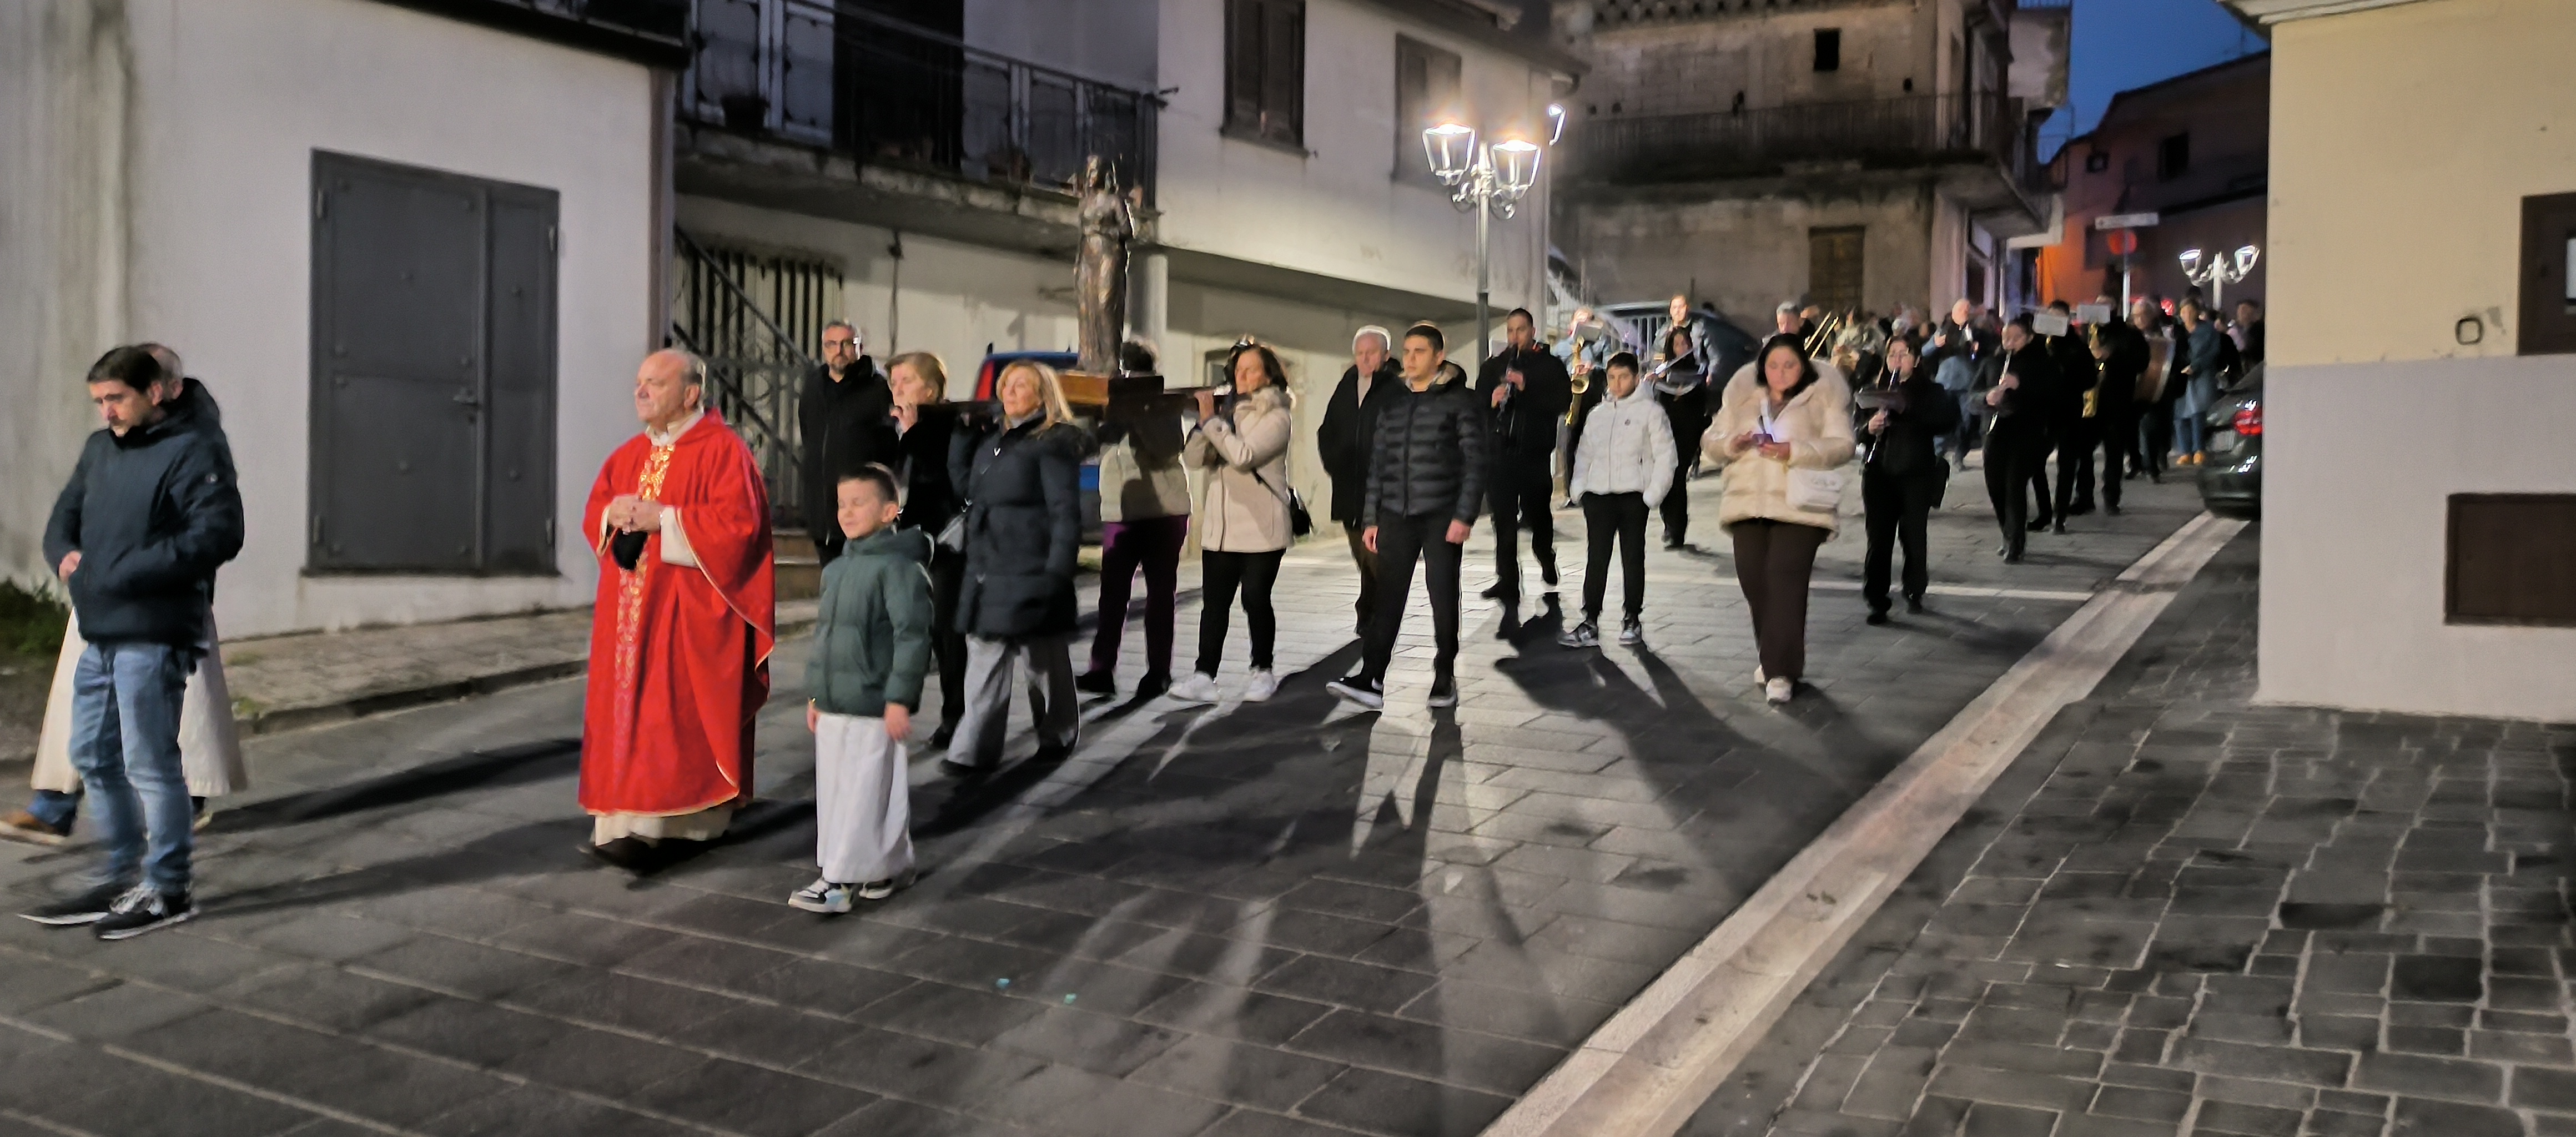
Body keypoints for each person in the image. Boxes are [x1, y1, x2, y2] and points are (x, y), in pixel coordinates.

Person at [22, 346, 243, 938]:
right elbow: (64, 515)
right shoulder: (100, 449)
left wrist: (122, 572)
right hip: (100, 627)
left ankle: (168, 887)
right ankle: (121, 875)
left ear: (156, 391)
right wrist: (63, 554)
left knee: (149, 761)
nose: (107, 412)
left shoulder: (196, 448)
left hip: (156, 628)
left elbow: (219, 533)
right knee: (92, 753)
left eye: (117, 398)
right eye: (99, 401)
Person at [578, 350, 777, 872]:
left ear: (691, 394)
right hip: (626, 618)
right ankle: (620, 822)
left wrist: (665, 519)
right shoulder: (627, 454)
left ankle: (679, 824)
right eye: (639, 382)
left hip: (686, 616)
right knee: (625, 714)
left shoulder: (725, 452)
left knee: (671, 714)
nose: (641, 391)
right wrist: (612, 513)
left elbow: (740, 529)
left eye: (656, 383)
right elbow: (596, 509)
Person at [794, 465, 933, 913]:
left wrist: (899, 699)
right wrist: (816, 695)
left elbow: (912, 637)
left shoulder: (900, 569)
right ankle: (887, 867)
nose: (847, 512)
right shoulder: (837, 570)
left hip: (874, 703)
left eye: (859, 503)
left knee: (865, 793)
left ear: (890, 511)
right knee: (841, 792)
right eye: (842, 504)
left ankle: (839, 880)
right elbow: (825, 637)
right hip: (835, 704)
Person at [1327, 324, 1485, 711]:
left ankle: (1444, 674)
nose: (1410, 359)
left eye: (1419, 352)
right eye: (1407, 351)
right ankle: (1372, 677)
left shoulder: (1459, 402)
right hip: (1395, 515)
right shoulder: (1394, 402)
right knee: (1387, 596)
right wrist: (1371, 518)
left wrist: (1464, 515)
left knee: (1442, 596)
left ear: (1438, 357)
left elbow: (1475, 462)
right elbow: (1378, 465)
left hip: (1441, 515)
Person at [947, 359, 1086, 773]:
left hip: (1030, 566)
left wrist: (1058, 571)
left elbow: (1064, 511)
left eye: (1020, 385)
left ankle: (1058, 733)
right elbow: (967, 489)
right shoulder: (994, 440)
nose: (1009, 392)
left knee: (1042, 658)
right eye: (1006, 385)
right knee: (985, 654)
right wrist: (961, 438)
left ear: (1043, 396)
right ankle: (973, 750)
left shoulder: (1050, 443)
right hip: (988, 565)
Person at [1707, 335, 1854, 705]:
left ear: (1803, 366)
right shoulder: (1743, 394)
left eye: (1790, 365)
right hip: (1748, 502)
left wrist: (1795, 450)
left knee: (1784, 579)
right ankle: (1773, 656)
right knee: (1754, 580)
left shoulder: (1822, 395)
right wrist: (1732, 444)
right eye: (1773, 365)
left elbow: (1843, 445)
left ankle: (1781, 671)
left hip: (1800, 505)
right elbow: (1711, 440)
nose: (1781, 372)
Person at [1170, 341, 1295, 704]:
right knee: (1214, 605)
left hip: (1261, 527)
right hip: (1221, 529)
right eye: (1238, 369)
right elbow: (1194, 460)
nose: (1242, 376)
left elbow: (1243, 456)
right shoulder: (1228, 413)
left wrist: (1213, 422)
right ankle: (1204, 675)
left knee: (1255, 598)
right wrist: (1204, 424)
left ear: (1268, 375)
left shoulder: (1276, 416)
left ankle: (1263, 670)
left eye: (1251, 369)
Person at [1078, 341, 1189, 699]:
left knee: (1160, 596)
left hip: (1163, 510)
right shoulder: (1107, 404)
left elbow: (1167, 448)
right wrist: (1098, 418)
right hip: (1120, 509)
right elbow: (1086, 445)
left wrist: (1136, 412)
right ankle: (1101, 669)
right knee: (1112, 595)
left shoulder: (1162, 404)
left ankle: (1159, 671)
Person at [1559, 352, 1673, 649]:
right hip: (1599, 496)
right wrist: (1580, 489)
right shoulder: (1597, 414)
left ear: (1635, 378)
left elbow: (1666, 456)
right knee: (1596, 559)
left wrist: (1652, 495)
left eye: (1623, 377)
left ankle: (1632, 618)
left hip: (1633, 496)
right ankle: (1590, 620)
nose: (1617, 383)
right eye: (1612, 377)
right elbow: (1584, 454)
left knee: (1633, 558)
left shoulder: (1651, 412)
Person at [886, 351, 969, 747]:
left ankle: (957, 715)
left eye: (906, 381)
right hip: (907, 539)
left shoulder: (949, 426)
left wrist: (912, 433)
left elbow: (943, 479)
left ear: (931, 389)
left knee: (947, 631)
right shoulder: (896, 425)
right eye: (894, 382)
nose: (897, 389)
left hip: (944, 542)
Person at [1857, 336, 1959, 622]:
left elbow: (1946, 421)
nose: (1897, 360)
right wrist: (1869, 428)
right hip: (1879, 473)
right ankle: (1876, 599)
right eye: (1892, 354)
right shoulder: (1874, 391)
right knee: (1879, 539)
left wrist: (1907, 408)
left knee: (1913, 535)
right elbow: (1857, 431)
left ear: (1916, 360)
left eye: (1904, 354)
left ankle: (1914, 588)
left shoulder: (1931, 391)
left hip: (1916, 473)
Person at [1475, 309, 1569, 608]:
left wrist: (1528, 387)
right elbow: (1477, 406)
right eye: (1511, 331)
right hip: (1500, 453)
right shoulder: (1494, 366)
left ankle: (1545, 556)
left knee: (1537, 514)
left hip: (1533, 454)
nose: (1515, 336)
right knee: (1502, 519)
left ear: (1532, 331)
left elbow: (1562, 402)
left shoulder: (1550, 365)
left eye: (1521, 330)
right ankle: (1508, 579)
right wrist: (1491, 401)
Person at [1316, 327, 1397, 636]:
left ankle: (1374, 613)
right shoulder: (1346, 386)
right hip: (1349, 488)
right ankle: (1370, 607)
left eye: (1371, 353)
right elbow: (1327, 431)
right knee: (1361, 554)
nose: (1365, 359)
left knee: (1377, 556)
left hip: (1382, 491)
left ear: (1385, 356)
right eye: (1360, 353)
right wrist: (1335, 464)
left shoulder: (1395, 390)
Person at [798, 321, 899, 566]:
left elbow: (890, 446)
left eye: (846, 344)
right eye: (831, 344)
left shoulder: (878, 389)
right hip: (822, 508)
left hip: (863, 511)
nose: (839, 351)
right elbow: (808, 435)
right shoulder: (813, 386)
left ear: (860, 347)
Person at [1976, 316, 2061, 564]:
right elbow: (1972, 394)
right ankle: (2008, 531)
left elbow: (2053, 396)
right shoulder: (1993, 362)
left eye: (2017, 338)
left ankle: (2017, 542)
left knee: (2015, 485)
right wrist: (1986, 398)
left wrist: (2021, 385)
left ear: (2030, 338)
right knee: (1995, 485)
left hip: (2026, 433)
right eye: (2006, 338)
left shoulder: (2043, 364)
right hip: (1995, 431)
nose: (2010, 343)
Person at [1652, 325, 1713, 548]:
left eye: (1684, 343)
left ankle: (1676, 530)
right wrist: (1656, 382)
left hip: (1687, 432)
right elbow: (1658, 401)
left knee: (1678, 478)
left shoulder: (1697, 370)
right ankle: (1669, 524)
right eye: (1677, 344)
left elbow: (1702, 401)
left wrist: (1685, 393)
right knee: (1667, 479)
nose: (1681, 348)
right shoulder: (1664, 370)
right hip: (1667, 431)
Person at [2087, 297, 2146, 515]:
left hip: (2117, 401)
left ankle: (2111, 497)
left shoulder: (2129, 334)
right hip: (2089, 402)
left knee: (2114, 452)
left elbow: (2142, 363)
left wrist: (2113, 356)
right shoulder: (2088, 331)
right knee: (2083, 451)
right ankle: (2084, 496)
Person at [2044, 300, 2100, 528]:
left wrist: (2066, 375)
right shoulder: (2041, 344)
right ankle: (2044, 509)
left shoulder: (2077, 348)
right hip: (2043, 412)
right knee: (2035, 461)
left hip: (2068, 411)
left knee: (2067, 463)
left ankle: (2061, 511)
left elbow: (2090, 380)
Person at [2172, 299, 2225, 467]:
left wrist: (2196, 366)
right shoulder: (2176, 331)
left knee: (2198, 413)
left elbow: (2214, 352)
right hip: (2181, 377)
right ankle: (2185, 451)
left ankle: (2199, 449)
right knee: (2180, 414)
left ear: (2197, 312)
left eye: (2190, 311)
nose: (2186, 314)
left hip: (2202, 375)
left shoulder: (2208, 330)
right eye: (2183, 311)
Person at [2234, 299, 2265, 367]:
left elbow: (2253, 352)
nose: (2239, 315)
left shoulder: (2257, 330)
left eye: (2241, 312)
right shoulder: (2251, 329)